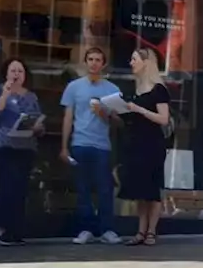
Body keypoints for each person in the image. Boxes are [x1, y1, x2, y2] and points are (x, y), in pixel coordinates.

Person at [60, 46, 122, 245]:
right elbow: (68, 117)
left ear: (103, 64)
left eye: (98, 60)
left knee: (105, 188)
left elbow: (119, 122)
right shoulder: (74, 87)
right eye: (90, 59)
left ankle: (107, 229)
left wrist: (104, 113)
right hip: (80, 142)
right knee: (82, 188)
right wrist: (64, 146)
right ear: (85, 62)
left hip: (102, 144)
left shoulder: (112, 90)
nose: (94, 63)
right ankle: (85, 228)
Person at [0, 58, 44, 246]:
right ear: (6, 74)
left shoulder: (31, 97)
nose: (16, 75)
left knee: (20, 188)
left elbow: (39, 122)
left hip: (25, 146)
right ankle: (0, 227)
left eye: (20, 71)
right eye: (13, 71)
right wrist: (5, 95)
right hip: (2, 144)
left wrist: (38, 128)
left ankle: (15, 230)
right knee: (8, 183)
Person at [119, 47, 171, 246]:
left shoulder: (159, 89)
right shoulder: (136, 90)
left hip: (153, 144)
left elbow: (164, 118)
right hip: (136, 143)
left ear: (145, 62)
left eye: (134, 59)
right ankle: (140, 231)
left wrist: (139, 109)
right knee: (140, 190)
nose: (131, 63)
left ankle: (152, 231)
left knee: (152, 188)